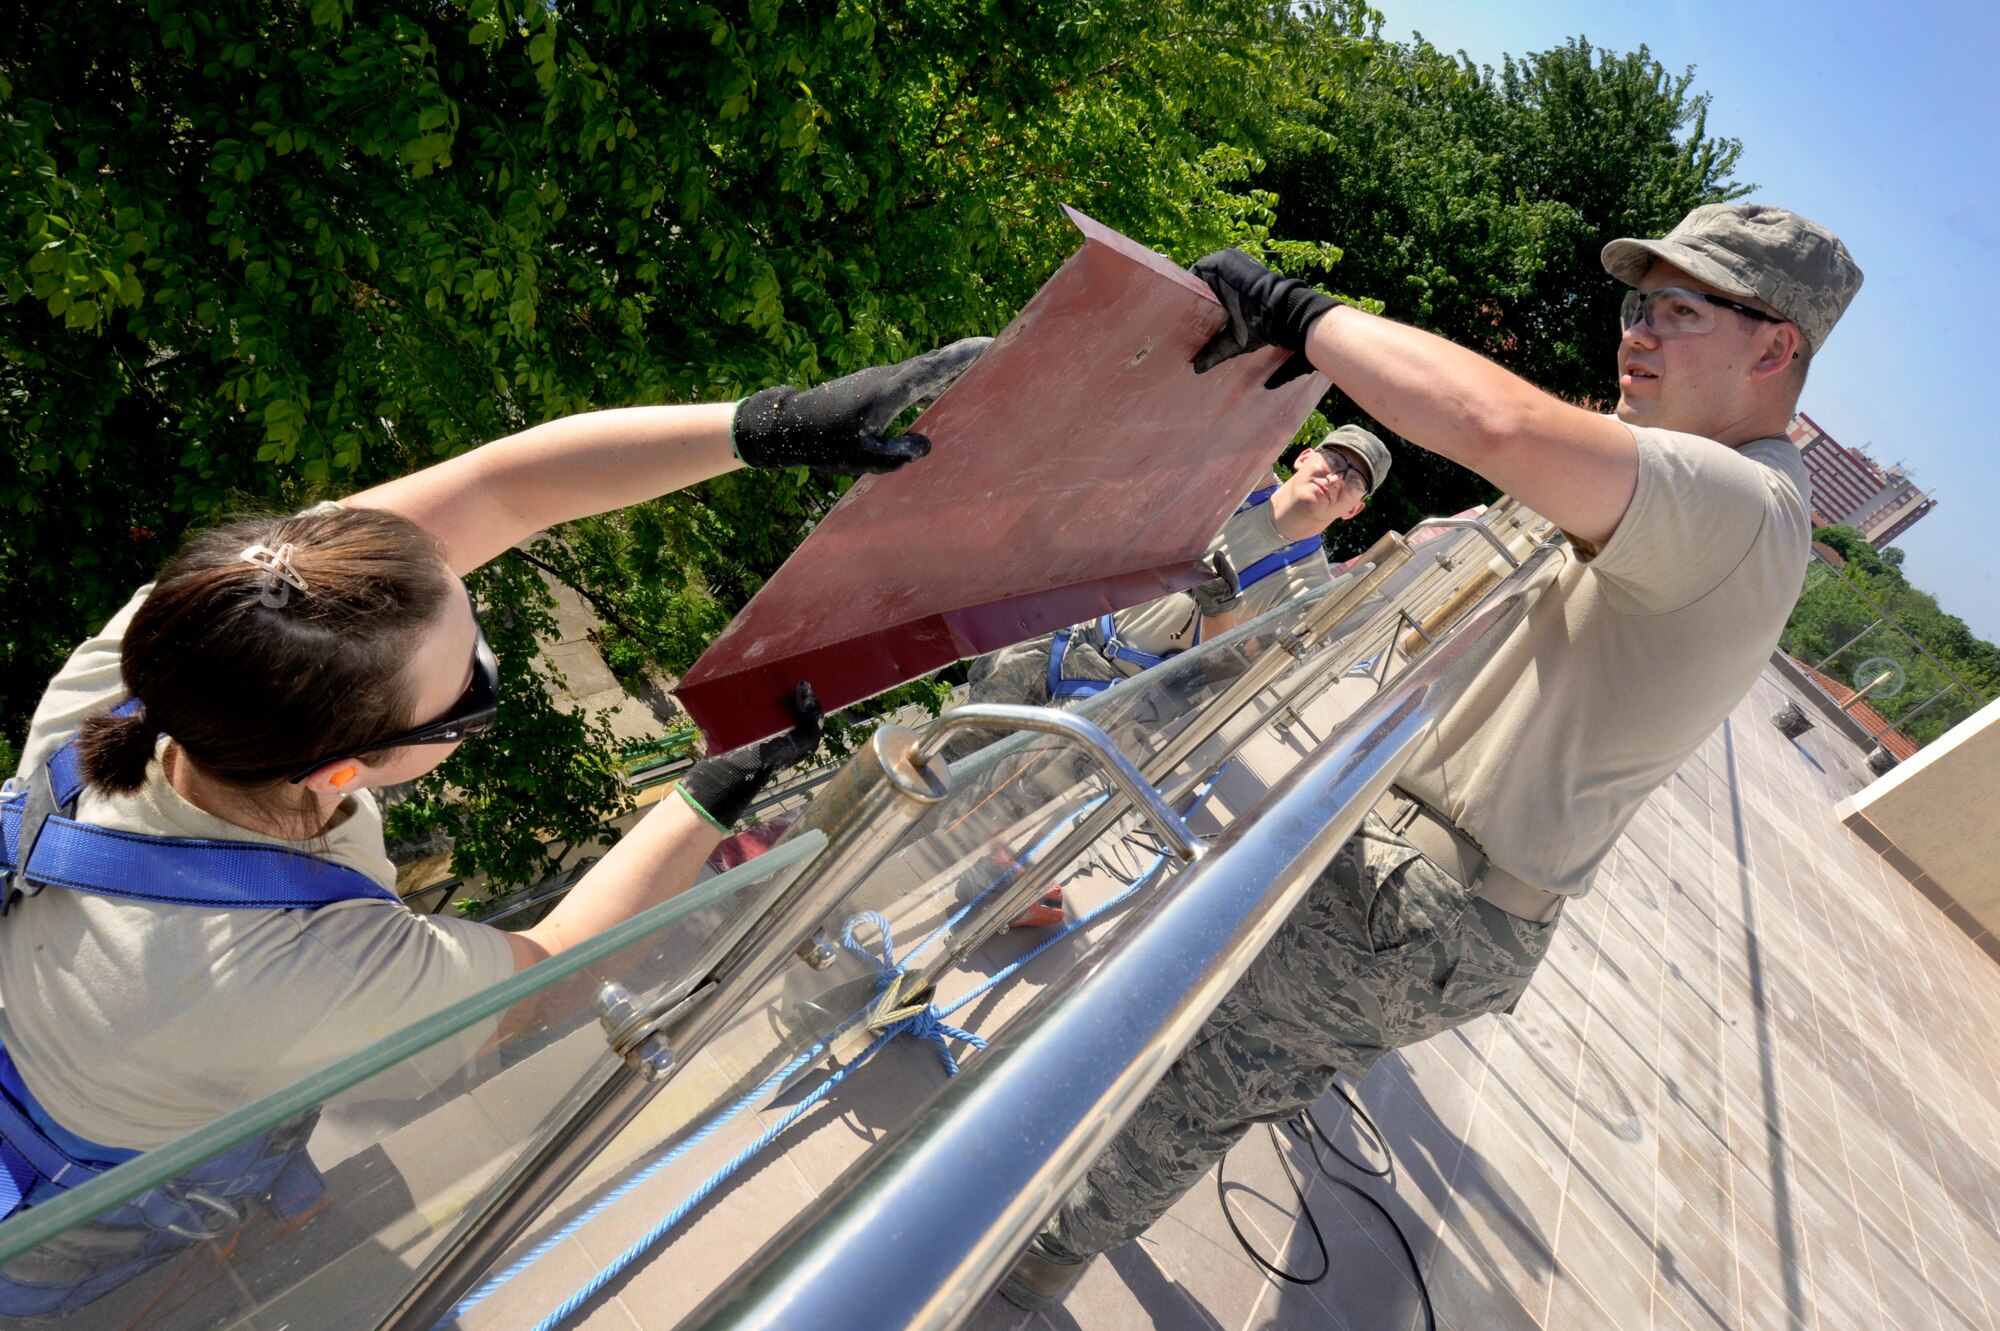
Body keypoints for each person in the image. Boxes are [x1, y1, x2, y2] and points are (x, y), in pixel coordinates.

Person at [0, 339, 985, 1317]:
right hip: (81, 1198)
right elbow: (547, 977)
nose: (490, 659)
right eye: (473, 691)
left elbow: (502, 491)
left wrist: (767, 424)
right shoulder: (303, 971)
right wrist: (711, 790)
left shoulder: (164, 662)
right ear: (343, 768)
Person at [1000, 204, 1861, 1308]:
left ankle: (996, 1270)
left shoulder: (1737, 502)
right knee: (1210, 1071)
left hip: (1419, 895)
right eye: (1634, 304)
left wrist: (1297, 315)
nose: (1634, 333)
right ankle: (1029, 1244)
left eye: (1677, 310)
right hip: (1427, 888)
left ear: (1772, 345)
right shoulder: (1697, 489)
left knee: (1185, 1084)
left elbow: (1492, 422)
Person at [960, 424, 1389, 713]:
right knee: (946, 745)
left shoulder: (1307, 590)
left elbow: (1228, 677)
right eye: (1334, 460)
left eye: (1354, 479)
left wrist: (1219, 611)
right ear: (1304, 457)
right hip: (1061, 633)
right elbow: (1227, 416)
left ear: (1355, 509)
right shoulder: (1241, 482)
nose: (1336, 477)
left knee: (978, 808)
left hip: (1111, 697)